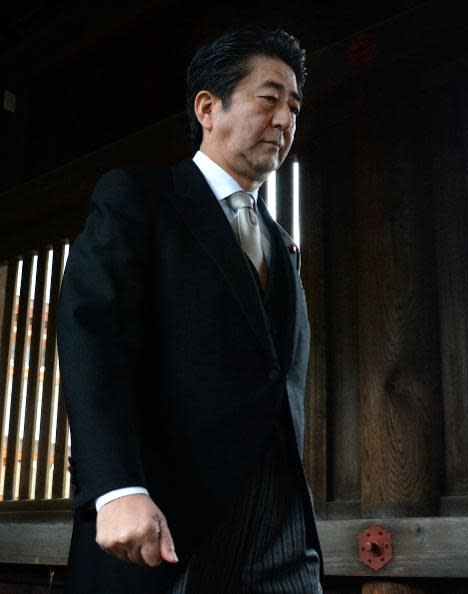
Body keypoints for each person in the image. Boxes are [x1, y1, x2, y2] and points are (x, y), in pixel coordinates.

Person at [57, 28, 322, 594]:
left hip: (280, 534)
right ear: (208, 106)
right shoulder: (139, 198)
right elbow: (91, 335)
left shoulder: (281, 242)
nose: (285, 120)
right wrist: (116, 486)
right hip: (164, 526)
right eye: (269, 98)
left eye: (294, 107)